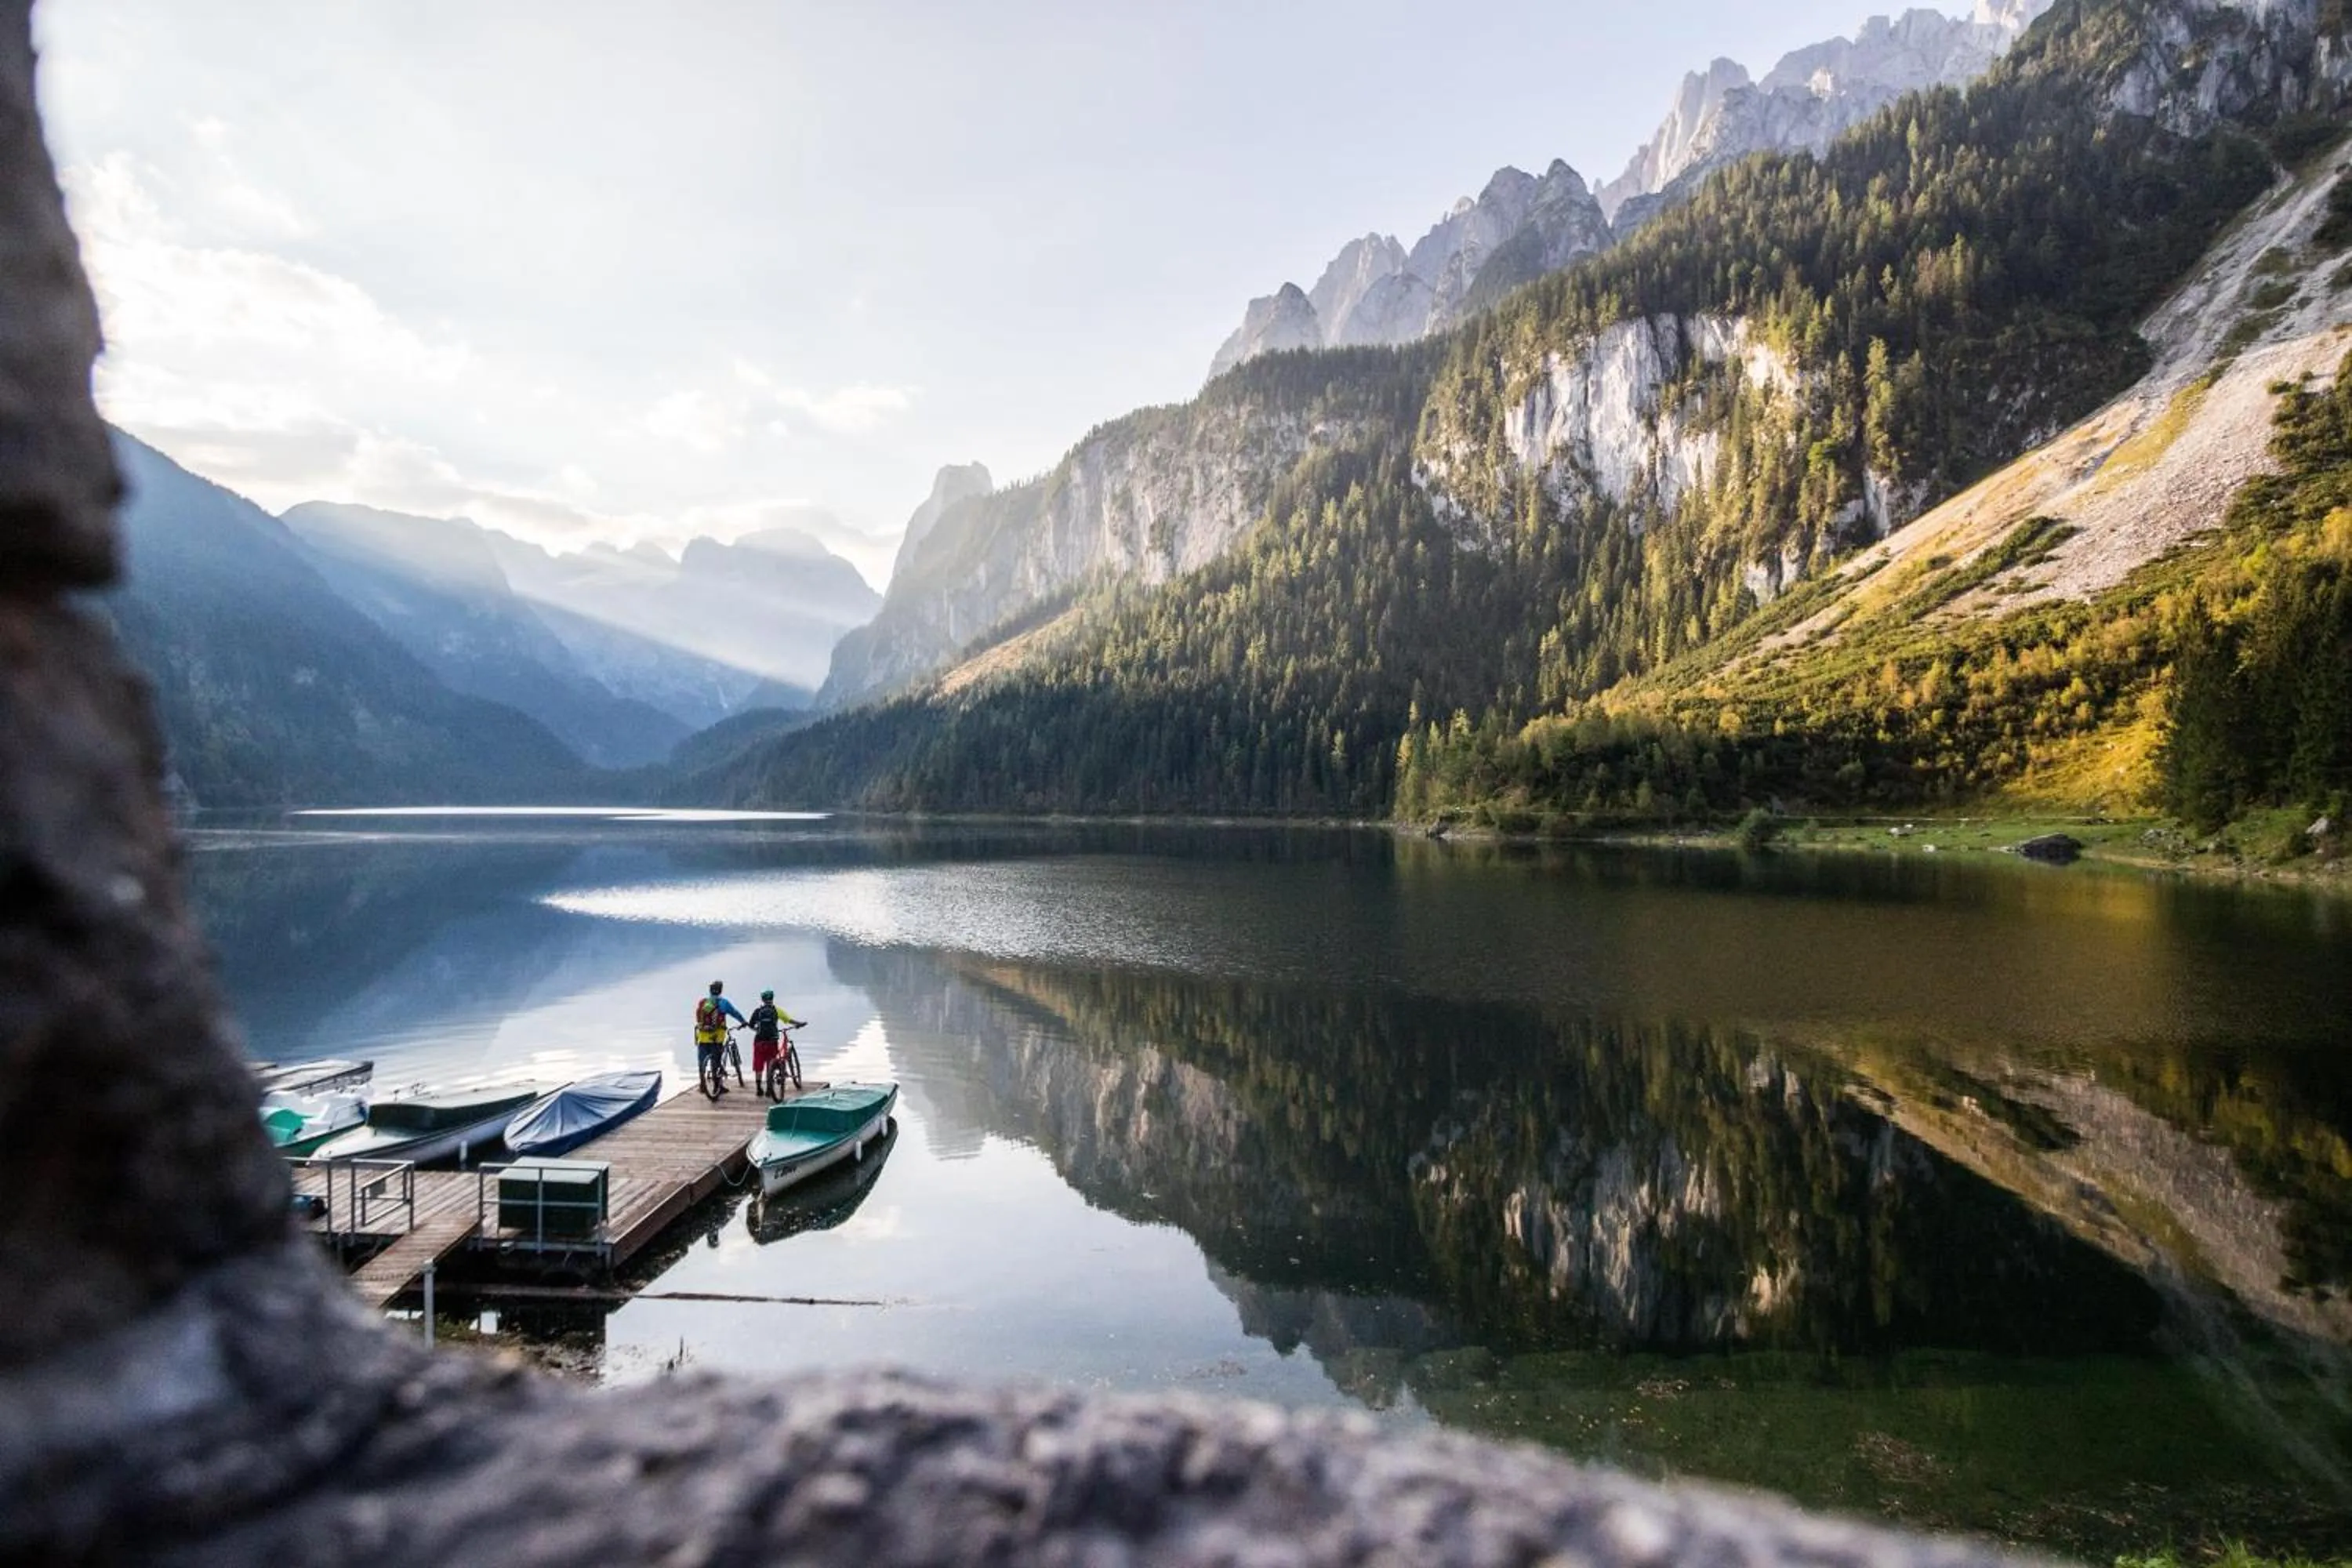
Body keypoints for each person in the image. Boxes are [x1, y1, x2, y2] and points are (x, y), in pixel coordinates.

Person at [747, 989, 806, 1098]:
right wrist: (799, 1024)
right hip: (772, 1041)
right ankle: (770, 1088)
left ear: (762, 999)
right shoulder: (777, 1010)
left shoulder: (757, 1011)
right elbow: (789, 1020)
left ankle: (759, 1088)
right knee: (771, 1062)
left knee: (759, 1064)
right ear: (772, 999)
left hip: (759, 1041)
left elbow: (750, 1025)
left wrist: (757, 1030)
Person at [694, 980, 747, 1097]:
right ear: (721, 990)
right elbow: (735, 1013)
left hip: (702, 1037)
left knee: (701, 1062)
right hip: (716, 1038)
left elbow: (698, 1019)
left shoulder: (703, 1002)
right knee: (716, 1062)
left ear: (710, 990)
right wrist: (743, 1022)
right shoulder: (724, 1003)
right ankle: (717, 1088)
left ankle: (702, 1086)